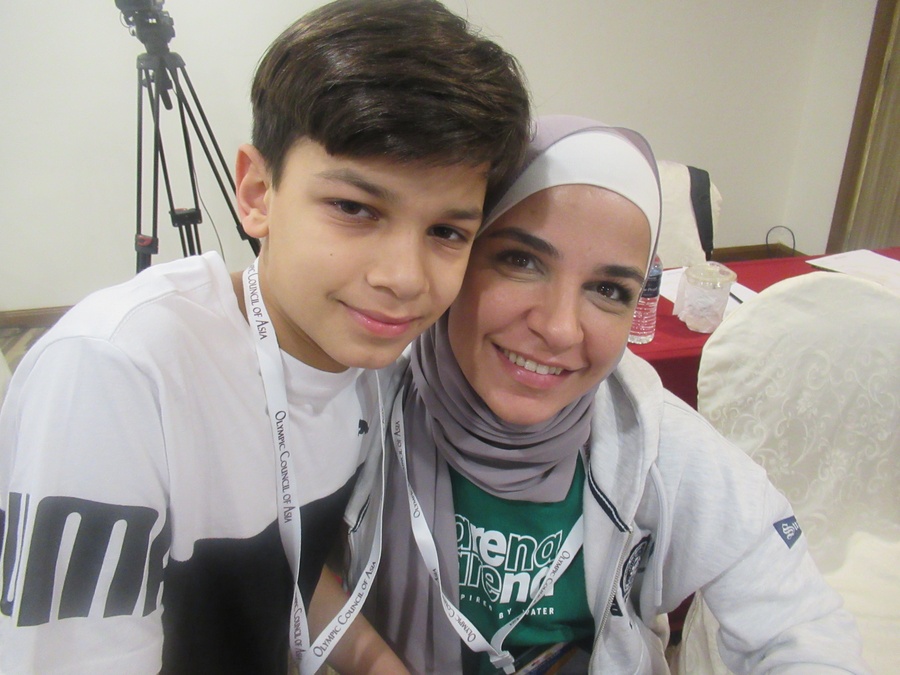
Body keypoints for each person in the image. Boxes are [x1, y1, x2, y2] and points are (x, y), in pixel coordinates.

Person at [0, 1, 530, 673]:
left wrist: (375, 663)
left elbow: (280, 566)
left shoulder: (375, 356)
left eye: (447, 232)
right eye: (353, 208)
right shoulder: (117, 371)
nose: (403, 279)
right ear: (256, 191)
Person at [343, 115, 869, 673]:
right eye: (521, 261)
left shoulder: (654, 441)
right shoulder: (364, 398)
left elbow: (801, 626)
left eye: (607, 290)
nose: (561, 329)